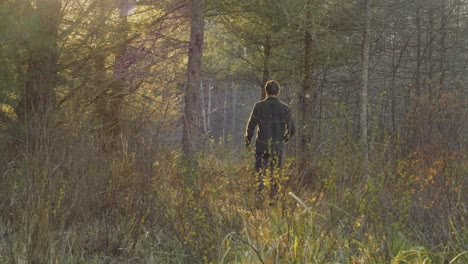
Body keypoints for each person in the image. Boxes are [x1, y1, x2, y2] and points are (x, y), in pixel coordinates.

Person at [245, 80, 295, 200]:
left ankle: (259, 198)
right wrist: (284, 139)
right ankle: (273, 199)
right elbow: (292, 129)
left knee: (260, 173)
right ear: (278, 92)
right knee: (275, 174)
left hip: (261, 146)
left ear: (265, 91)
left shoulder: (259, 106)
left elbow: (251, 126)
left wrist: (248, 140)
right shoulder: (285, 108)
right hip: (277, 147)